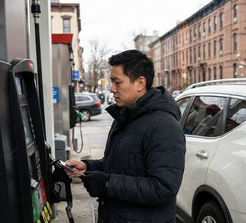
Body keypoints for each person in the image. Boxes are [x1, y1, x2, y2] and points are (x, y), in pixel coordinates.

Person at [64, 49, 186, 223]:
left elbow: (163, 188)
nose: (112, 89)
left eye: (117, 82)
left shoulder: (164, 126)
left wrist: (106, 183)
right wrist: (87, 167)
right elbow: (118, 165)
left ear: (140, 83)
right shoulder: (125, 117)